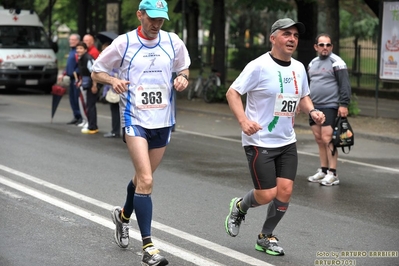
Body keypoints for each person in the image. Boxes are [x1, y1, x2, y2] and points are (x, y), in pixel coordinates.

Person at [91, 0, 190, 265]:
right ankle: (149, 248)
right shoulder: (124, 43)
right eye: (152, 18)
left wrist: (183, 78)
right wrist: (113, 80)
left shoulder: (173, 41)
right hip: (134, 118)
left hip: (163, 120)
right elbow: (96, 71)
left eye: (161, 19)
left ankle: (123, 217)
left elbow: (184, 67)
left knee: (140, 180)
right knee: (146, 181)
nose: (157, 24)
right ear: (140, 15)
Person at [224, 18, 325, 256]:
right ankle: (240, 206)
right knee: (267, 194)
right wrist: (244, 121)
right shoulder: (258, 66)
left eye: (295, 36)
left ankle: (265, 236)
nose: (292, 39)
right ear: (273, 38)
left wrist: (312, 110)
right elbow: (233, 92)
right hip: (260, 141)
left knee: (285, 191)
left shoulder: (299, 68)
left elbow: (303, 96)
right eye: (286, 34)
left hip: (287, 140)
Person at [307, 33, 351, 186]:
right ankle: (323, 170)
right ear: (316, 47)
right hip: (314, 107)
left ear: (331, 46)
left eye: (328, 45)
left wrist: (343, 104)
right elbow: (308, 84)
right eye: (321, 45)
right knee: (319, 139)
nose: (325, 47)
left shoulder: (337, 62)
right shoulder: (312, 63)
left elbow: (345, 85)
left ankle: (333, 173)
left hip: (330, 106)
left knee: (327, 138)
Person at [76, 41, 98, 134]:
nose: (79, 50)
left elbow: (94, 72)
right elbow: (84, 72)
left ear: (85, 49)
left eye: (81, 48)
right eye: (78, 48)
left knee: (91, 105)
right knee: (88, 105)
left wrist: (94, 85)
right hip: (86, 83)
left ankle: (92, 126)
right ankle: (90, 124)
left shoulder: (88, 58)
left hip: (91, 84)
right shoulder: (81, 58)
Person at [100, 42, 121, 138]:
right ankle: (119, 131)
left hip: (117, 88)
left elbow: (113, 74)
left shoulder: (114, 61)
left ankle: (115, 131)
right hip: (120, 88)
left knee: (116, 110)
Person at [65, 33, 82, 125]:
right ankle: (76, 115)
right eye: (70, 40)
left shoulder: (77, 51)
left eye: (73, 40)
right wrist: (64, 72)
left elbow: (80, 64)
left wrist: (76, 72)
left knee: (76, 98)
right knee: (72, 98)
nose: (71, 41)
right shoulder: (71, 51)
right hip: (71, 78)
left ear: (78, 41)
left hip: (76, 78)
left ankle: (80, 116)